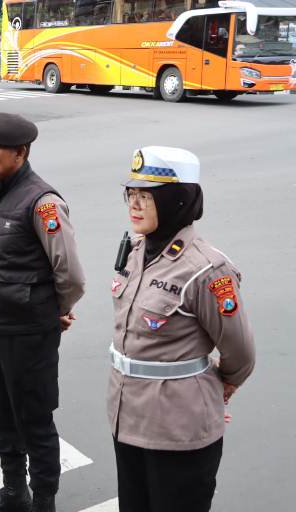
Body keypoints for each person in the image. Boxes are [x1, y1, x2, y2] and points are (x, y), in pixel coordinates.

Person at [109, 146, 255, 512]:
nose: (135, 205)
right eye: (132, 194)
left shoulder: (207, 271)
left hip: (179, 430)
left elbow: (240, 352)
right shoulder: (137, 251)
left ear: (176, 201)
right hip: (127, 418)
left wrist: (221, 384)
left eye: (147, 196)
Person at [0, 113, 85, 512]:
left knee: (34, 421)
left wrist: (58, 310)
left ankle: (44, 502)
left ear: (19, 153)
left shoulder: (43, 202)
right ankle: (14, 490)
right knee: (1, 415)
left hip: (28, 332)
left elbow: (69, 272)